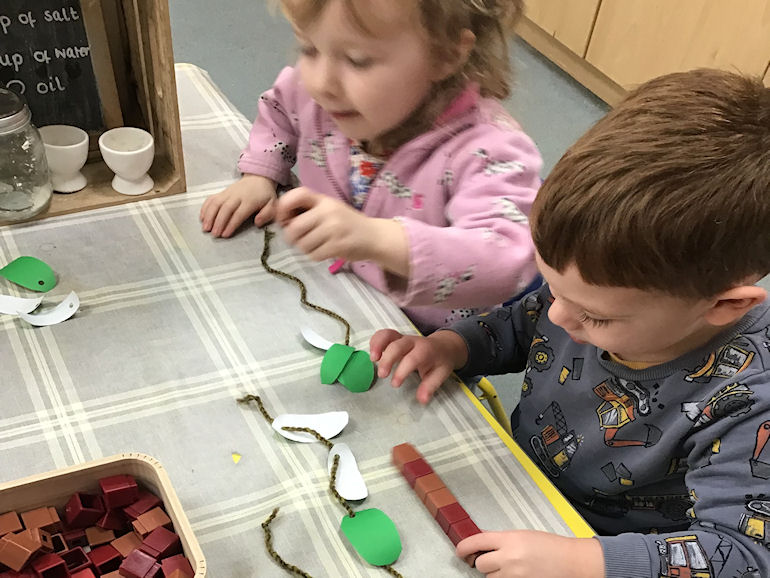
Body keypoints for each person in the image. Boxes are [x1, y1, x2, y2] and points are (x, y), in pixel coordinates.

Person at [370, 68, 770, 578]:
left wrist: (581, 561)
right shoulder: (587, 294)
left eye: (595, 316)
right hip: (527, 487)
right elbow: (523, 324)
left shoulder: (753, 399)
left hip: (611, 551)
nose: (557, 316)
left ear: (723, 306)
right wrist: (453, 346)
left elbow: (746, 556)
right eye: (551, 286)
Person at [199, 0, 542, 333]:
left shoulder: (489, 152)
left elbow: (505, 258)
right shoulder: (318, 94)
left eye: (358, 60)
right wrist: (261, 173)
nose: (321, 83)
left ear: (447, 53)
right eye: (309, 48)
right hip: (341, 297)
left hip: (428, 337)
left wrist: (375, 238)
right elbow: (279, 107)